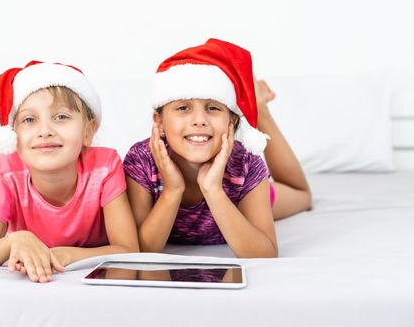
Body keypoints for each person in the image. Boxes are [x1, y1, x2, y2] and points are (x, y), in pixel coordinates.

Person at [123, 39, 311, 258]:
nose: (199, 120)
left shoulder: (246, 164)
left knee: (303, 197)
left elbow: (265, 254)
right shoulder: (142, 160)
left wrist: (214, 190)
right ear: (159, 123)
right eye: (183, 108)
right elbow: (140, 250)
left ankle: (260, 110)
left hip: (242, 201)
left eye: (213, 108)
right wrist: (173, 190)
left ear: (231, 122)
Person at [0, 61, 139, 283]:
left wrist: (67, 254)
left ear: (88, 131)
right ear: (13, 136)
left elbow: (128, 249)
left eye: (61, 117)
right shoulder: (6, 172)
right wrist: (14, 241)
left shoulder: (105, 167)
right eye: (29, 120)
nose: (45, 131)